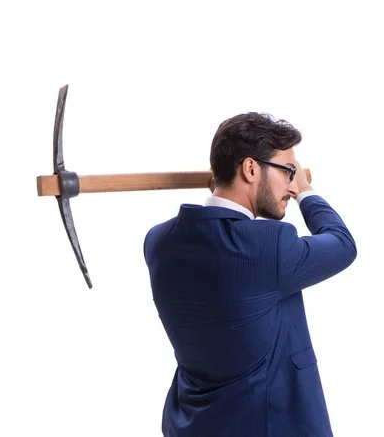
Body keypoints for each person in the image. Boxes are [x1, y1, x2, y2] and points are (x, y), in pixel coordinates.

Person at [143, 112, 357, 437]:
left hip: (193, 426)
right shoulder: (267, 246)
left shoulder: (159, 242)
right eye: (288, 170)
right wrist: (306, 191)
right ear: (250, 168)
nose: (291, 182)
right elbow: (342, 244)